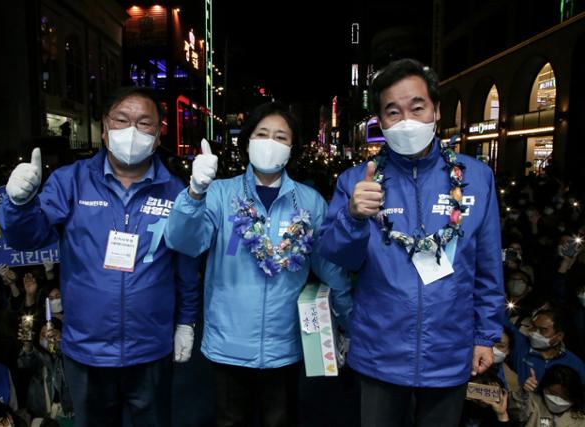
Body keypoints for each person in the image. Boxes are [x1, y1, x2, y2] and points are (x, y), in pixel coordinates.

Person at [0, 86, 200, 427]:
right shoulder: (71, 181)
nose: (132, 131)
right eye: (122, 120)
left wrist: (186, 321)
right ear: (105, 129)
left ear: (158, 131)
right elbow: (27, 238)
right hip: (87, 350)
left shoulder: (175, 191)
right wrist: (19, 204)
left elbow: (186, 264)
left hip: (150, 348)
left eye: (144, 122)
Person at [319, 58, 504, 427]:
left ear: (435, 109)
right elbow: (337, 255)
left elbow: (487, 267)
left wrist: (485, 335)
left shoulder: (476, 178)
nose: (406, 120)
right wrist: (354, 216)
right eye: (393, 111)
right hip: (379, 350)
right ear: (381, 122)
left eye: (417, 107)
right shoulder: (357, 180)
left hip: (449, 350)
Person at [165, 101, 353, 426]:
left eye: (281, 137)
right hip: (228, 343)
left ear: (292, 147)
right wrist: (194, 193)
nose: (270, 143)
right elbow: (185, 241)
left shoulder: (308, 202)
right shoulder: (220, 194)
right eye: (262, 134)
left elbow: (328, 267)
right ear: (247, 140)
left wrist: (349, 321)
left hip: (285, 344)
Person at [505, 307, 585, 386]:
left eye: (543, 330)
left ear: (559, 336)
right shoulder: (520, 344)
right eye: (534, 327)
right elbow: (499, 318)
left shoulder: (575, 364)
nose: (535, 333)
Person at [509, 364, 585, 426]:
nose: (557, 400)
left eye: (565, 397)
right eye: (553, 393)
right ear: (544, 387)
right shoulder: (532, 403)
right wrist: (523, 392)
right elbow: (514, 411)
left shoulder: (580, 419)